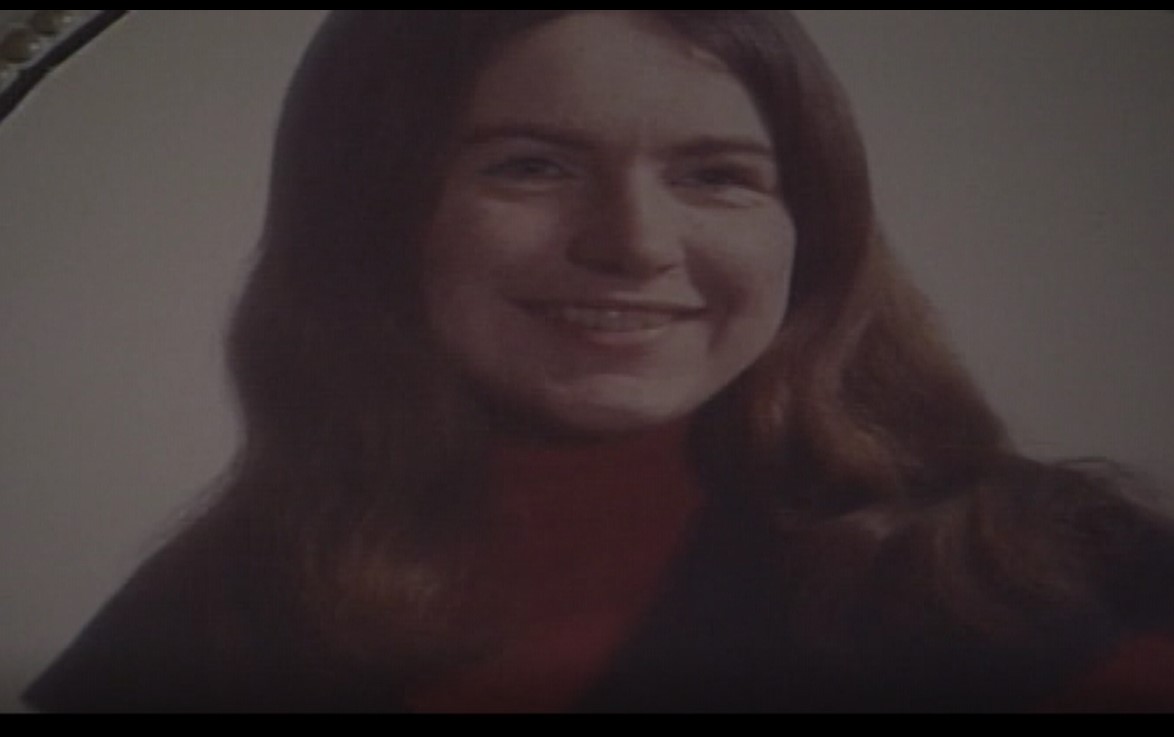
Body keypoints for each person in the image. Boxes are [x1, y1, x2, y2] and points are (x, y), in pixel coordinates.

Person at [25, 10, 1174, 713]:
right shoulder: (215, 609)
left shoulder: (1056, 573)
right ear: (370, 216)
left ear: (812, 230)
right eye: (530, 165)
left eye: (715, 174)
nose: (632, 242)